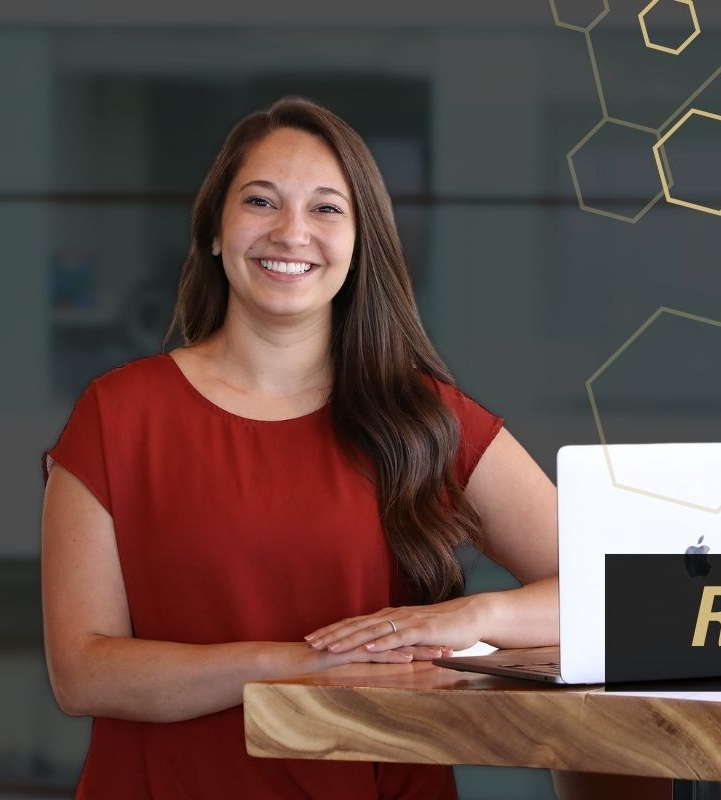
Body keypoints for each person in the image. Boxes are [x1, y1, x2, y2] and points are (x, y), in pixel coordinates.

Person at [39, 96, 558, 798]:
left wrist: (471, 619)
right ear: (216, 232)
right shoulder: (117, 414)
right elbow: (82, 671)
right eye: (261, 201)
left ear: (359, 240)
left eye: (325, 208)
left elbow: (618, 595)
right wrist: (306, 664)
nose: (291, 232)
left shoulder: (424, 417)